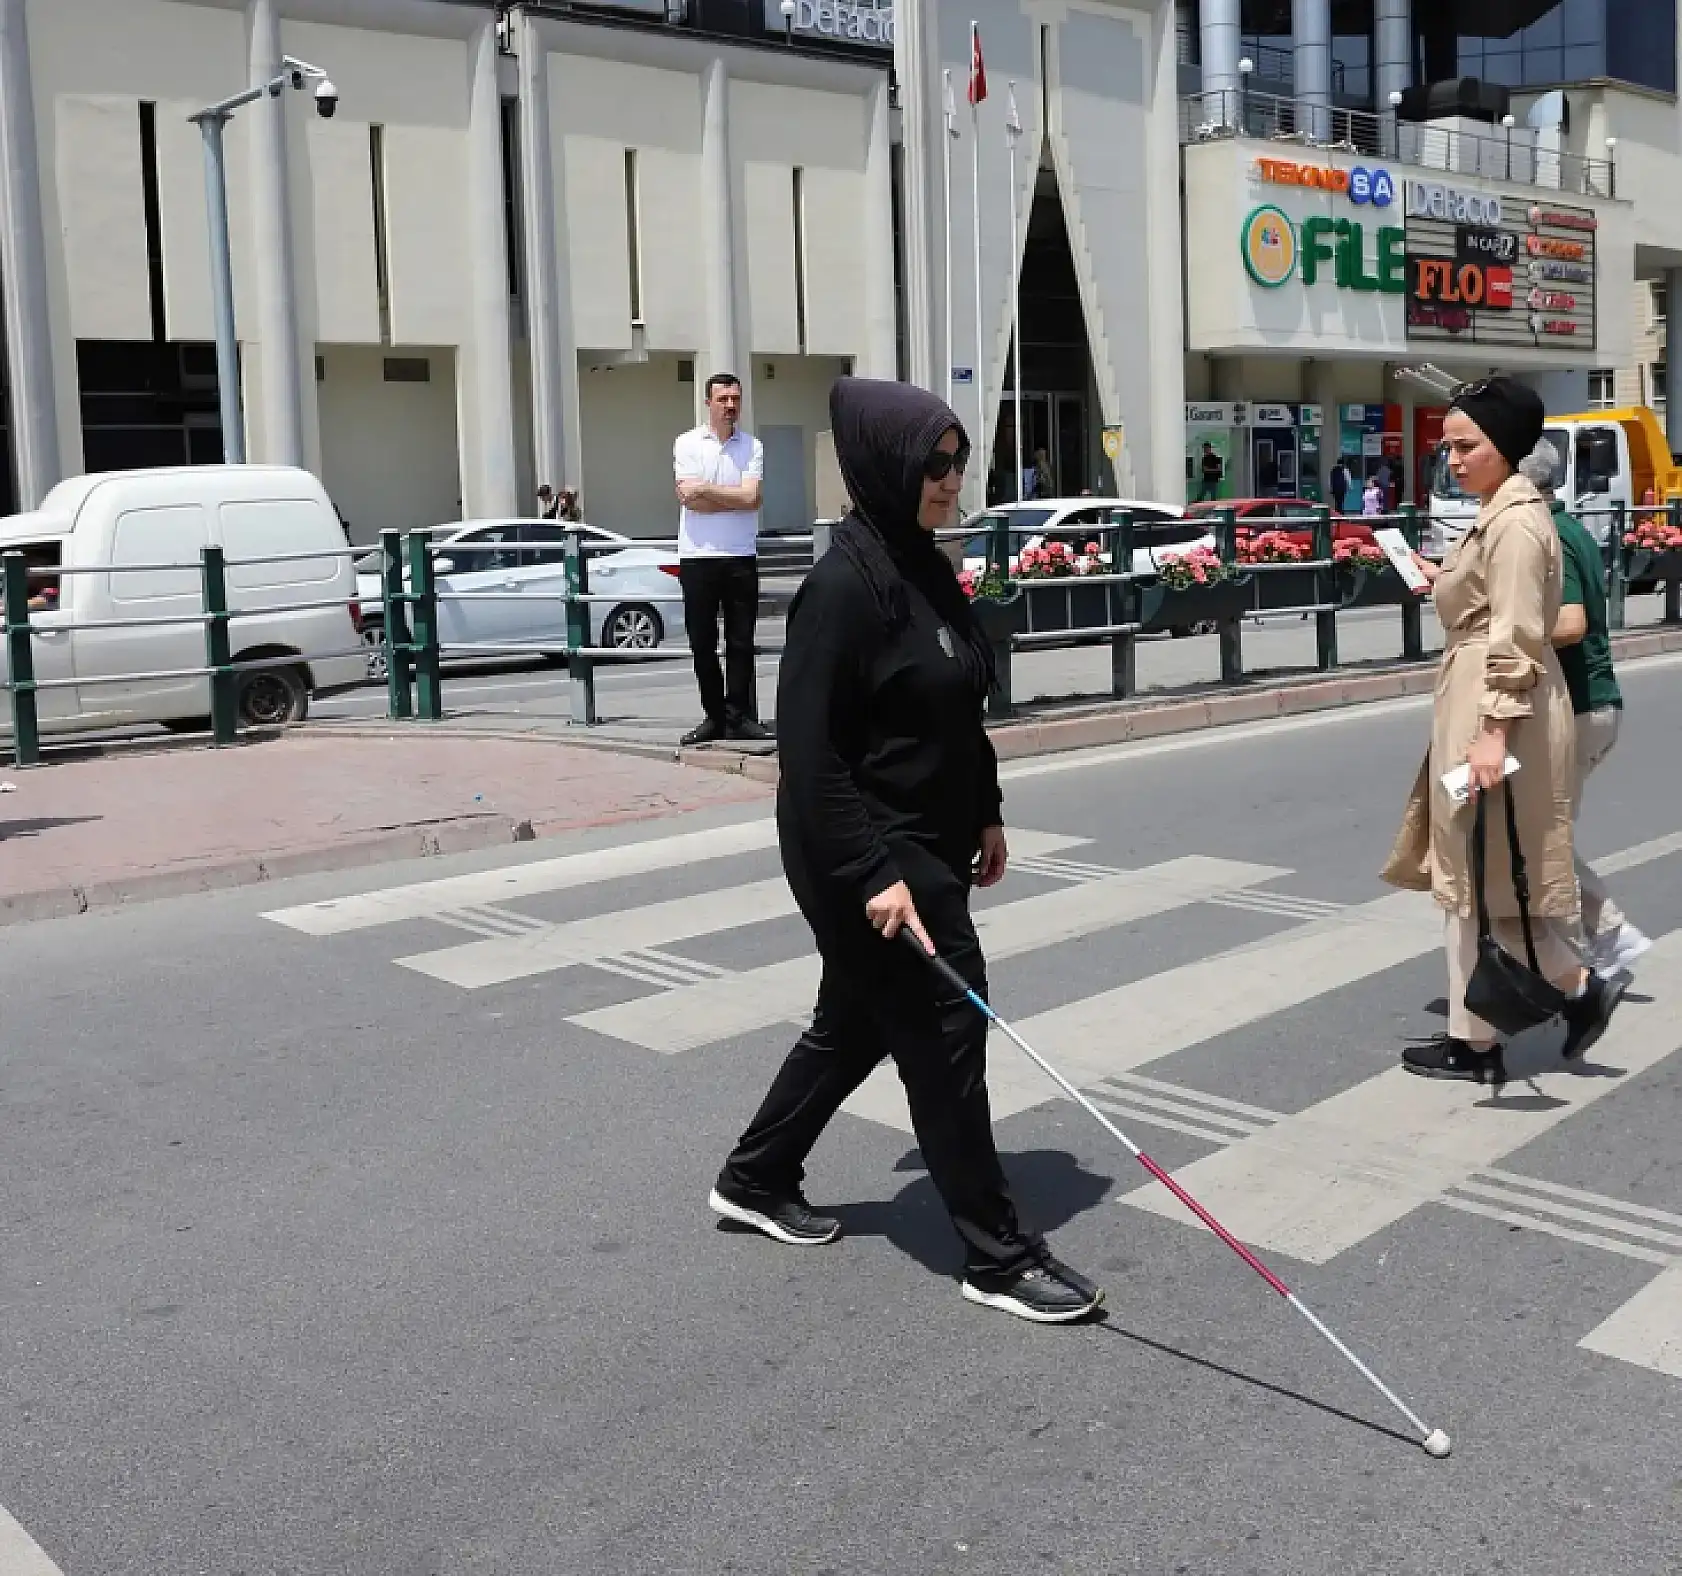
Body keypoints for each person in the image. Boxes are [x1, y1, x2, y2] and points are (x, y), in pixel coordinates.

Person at [709, 376, 1102, 1325]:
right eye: (933, 464)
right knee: (945, 1029)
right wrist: (873, 876)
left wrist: (987, 809)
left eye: (958, 461)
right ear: (886, 466)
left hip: (927, 835)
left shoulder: (921, 563)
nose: (950, 479)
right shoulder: (841, 590)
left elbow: (958, 703)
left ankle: (755, 1176)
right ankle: (996, 1255)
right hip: (864, 850)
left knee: (856, 1022)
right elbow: (809, 760)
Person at [1382, 377, 1622, 1084]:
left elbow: (1516, 635)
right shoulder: (1501, 513)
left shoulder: (1515, 522)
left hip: (1498, 714)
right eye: (1448, 448)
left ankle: (1498, 1029)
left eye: (1466, 446)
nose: (1454, 460)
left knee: (1480, 870)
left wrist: (1491, 733)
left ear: (1505, 444)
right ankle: (1523, 1013)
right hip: (1488, 704)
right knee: (1483, 873)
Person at [1518, 439, 1651, 978]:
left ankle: (1606, 939)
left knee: (1538, 838)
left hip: (1575, 706)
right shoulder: (1567, 527)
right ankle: (1574, 950)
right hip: (1588, 705)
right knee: (1539, 833)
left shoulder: (1549, 534)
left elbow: (1570, 623)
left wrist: (1502, 630)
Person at [673, 373, 771, 745]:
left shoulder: (752, 446)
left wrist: (706, 489)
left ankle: (738, 718)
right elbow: (691, 502)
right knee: (702, 642)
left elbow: (752, 499)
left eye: (735, 399)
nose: (730, 406)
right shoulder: (687, 443)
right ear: (708, 403)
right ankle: (714, 717)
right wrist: (733, 498)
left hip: (740, 556)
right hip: (697, 557)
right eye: (723, 399)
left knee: (741, 642)